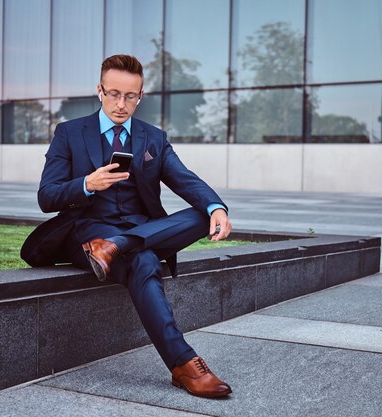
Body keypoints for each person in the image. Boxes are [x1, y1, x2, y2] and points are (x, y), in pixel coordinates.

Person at [21, 54, 232, 398]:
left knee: (200, 212)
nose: (121, 104)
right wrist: (88, 183)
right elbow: (47, 196)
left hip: (135, 231)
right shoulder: (70, 133)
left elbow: (184, 179)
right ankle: (184, 365)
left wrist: (217, 207)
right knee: (145, 260)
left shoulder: (153, 137)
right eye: (114, 94)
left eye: (130, 96)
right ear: (99, 91)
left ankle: (120, 244)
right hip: (88, 232)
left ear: (141, 96)